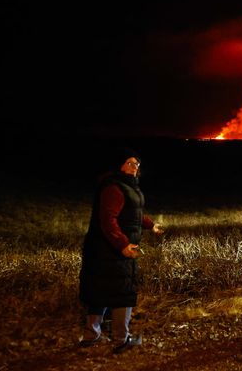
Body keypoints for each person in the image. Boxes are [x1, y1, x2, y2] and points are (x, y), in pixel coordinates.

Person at [78, 147, 163, 353]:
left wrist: (151, 225)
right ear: (119, 165)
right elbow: (108, 220)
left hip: (112, 248)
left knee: (101, 289)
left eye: (137, 164)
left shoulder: (127, 187)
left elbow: (134, 215)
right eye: (129, 163)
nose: (134, 167)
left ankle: (92, 335)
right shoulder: (114, 188)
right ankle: (121, 340)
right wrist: (123, 244)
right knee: (122, 291)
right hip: (112, 249)